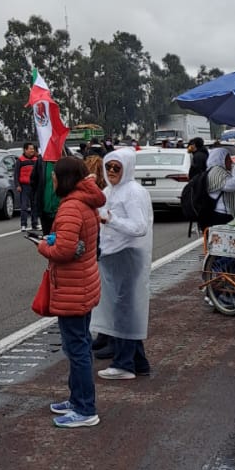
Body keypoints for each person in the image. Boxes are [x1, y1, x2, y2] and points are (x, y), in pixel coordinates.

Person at [35, 155, 106, 428]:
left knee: (76, 348)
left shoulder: (70, 208)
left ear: (63, 179)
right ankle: (77, 398)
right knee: (80, 345)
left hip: (72, 289)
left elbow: (63, 251)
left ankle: (85, 408)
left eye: (54, 176)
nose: (51, 180)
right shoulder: (84, 203)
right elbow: (77, 243)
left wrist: (43, 245)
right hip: (83, 285)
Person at [91, 148, 154, 380]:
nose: (112, 171)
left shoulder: (133, 192)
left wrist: (111, 219)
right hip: (113, 255)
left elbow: (139, 227)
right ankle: (138, 362)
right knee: (123, 309)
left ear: (127, 167)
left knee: (124, 309)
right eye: (108, 167)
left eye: (117, 167)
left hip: (127, 255)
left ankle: (124, 364)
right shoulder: (110, 190)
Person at [30, 153, 60, 236]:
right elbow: (33, 181)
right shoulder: (41, 161)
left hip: (62, 211)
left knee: (61, 241)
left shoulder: (67, 159)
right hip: (45, 211)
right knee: (47, 240)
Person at [14, 142, 39, 232]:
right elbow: (16, 174)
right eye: (30, 149)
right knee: (24, 206)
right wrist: (17, 185)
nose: (32, 150)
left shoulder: (36, 159)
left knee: (34, 206)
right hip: (24, 186)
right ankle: (23, 224)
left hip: (34, 186)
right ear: (25, 150)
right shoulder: (20, 160)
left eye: (33, 149)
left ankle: (35, 224)